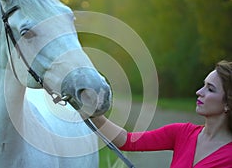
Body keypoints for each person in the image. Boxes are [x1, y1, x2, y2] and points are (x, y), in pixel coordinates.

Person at [90, 60, 232, 168]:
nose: (199, 92)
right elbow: (127, 141)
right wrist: (92, 112)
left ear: (227, 103)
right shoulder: (182, 133)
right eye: (203, 85)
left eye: (210, 89)